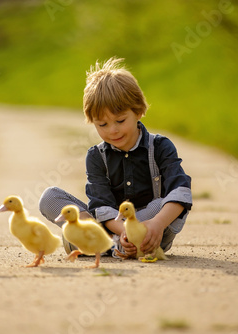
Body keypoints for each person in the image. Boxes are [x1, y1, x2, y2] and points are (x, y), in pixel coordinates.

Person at [39, 57, 192, 258]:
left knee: (160, 203)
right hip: (112, 227)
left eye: (120, 120)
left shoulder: (160, 146)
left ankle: (97, 243)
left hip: (152, 228)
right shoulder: (96, 156)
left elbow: (180, 191)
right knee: (50, 196)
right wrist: (122, 231)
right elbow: (100, 204)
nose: (113, 130)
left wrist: (157, 223)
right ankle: (109, 242)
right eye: (102, 125)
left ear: (138, 111)